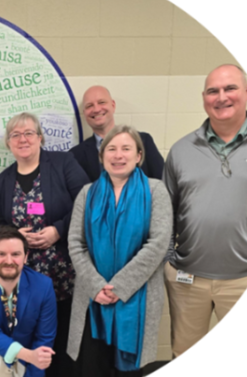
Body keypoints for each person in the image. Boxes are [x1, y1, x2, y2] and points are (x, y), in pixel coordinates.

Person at [163, 64, 247, 357]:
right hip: (188, 281)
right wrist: (171, 261)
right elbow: (166, 213)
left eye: (230, 88)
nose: (221, 97)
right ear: (204, 98)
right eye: (213, 91)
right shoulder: (182, 150)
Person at [67, 125, 172, 376]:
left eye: (126, 148)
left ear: (138, 156)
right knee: (93, 366)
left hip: (137, 296)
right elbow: (76, 243)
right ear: (102, 157)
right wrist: (96, 286)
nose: (118, 155)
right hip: (94, 298)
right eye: (111, 149)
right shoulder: (86, 193)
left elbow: (158, 244)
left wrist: (119, 287)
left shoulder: (155, 190)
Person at [0, 112, 89, 377]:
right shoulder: (4, 179)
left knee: (62, 333)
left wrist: (58, 231)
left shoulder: (62, 163)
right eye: (15, 135)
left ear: (40, 137)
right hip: (24, 274)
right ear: (8, 142)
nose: (22, 139)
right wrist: (15, 235)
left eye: (28, 133)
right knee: (29, 331)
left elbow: (87, 203)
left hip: (64, 270)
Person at [0, 225, 57, 377]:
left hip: (29, 345)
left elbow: (44, 338)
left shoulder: (44, 285)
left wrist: (34, 365)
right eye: (1, 254)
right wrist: (28, 355)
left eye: (16, 254)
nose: (9, 261)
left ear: (25, 257)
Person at [69, 86, 164, 181]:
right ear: (84, 113)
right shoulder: (76, 155)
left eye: (101, 102)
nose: (96, 109)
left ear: (113, 105)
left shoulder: (143, 141)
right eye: (89, 106)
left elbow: (162, 182)